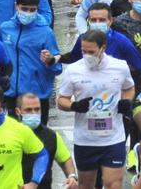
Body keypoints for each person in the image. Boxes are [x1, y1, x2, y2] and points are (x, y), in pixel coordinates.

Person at [57, 29, 135, 189]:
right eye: (83, 51)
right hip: (85, 139)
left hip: (113, 138)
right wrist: (74, 106)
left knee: (113, 184)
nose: (87, 56)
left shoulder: (120, 67)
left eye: (91, 52)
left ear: (103, 48)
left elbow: (129, 87)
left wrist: (126, 101)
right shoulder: (73, 70)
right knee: (86, 185)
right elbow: (61, 100)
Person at [0, 0, 62, 113]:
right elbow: (0, 59)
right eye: (24, 9)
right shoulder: (5, 29)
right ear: (16, 6)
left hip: (36, 98)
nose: (28, 13)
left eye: (32, 10)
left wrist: (50, 60)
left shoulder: (46, 32)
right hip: (10, 95)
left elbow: (58, 68)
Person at [14, 92, 78, 189]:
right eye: (28, 110)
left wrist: (72, 177)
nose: (33, 113)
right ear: (18, 112)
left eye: (37, 109)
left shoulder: (51, 136)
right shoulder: (10, 134)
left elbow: (65, 160)